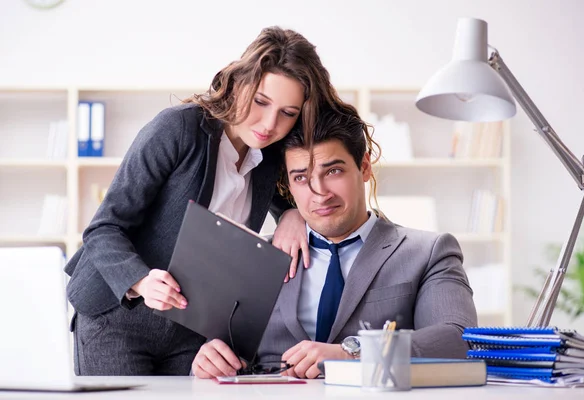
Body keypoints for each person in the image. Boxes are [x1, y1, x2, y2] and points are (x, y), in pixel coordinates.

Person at [64, 26, 346, 376]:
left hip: (193, 329)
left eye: (288, 113)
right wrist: (141, 280)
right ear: (239, 82)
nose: (269, 124)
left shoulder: (268, 156)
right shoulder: (177, 129)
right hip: (120, 314)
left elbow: (286, 194)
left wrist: (291, 214)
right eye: (261, 101)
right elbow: (104, 227)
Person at [191, 105, 477, 379]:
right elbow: (219, 355)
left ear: (364, 168)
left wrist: (354, 353)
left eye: (333, 171)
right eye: (301, 177)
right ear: (288, 185)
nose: (320, 192)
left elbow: (458, 339)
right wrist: (208, 361)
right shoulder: (255, 256)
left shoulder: (428, 253)